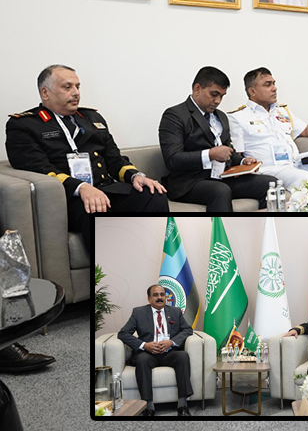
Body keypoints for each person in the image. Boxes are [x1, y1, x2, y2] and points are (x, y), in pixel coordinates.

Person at [6, 65, 168, 254]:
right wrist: (81, 188)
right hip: (68, 199)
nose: (76, 93)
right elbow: (39, 168)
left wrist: (135, 176)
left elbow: (114, 158)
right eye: (67, 87)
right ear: (45, 93)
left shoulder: (92, 118)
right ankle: (109, 278)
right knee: (95, 209)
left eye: (78, 87)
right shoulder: (24, 125)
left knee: (153, 195)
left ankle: (156, 259)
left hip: (104, 189)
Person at [158, 66, 277, 211]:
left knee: (271, 183)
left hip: (223, 177)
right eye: (214, 94)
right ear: (197, 89)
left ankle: (267, 229)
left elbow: (227, 149)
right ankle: (222, 234)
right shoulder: (175, 115)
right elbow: (172, 159)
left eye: (222, 96)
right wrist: (210, 154)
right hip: (189, 182)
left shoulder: (221, 116)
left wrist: (242, 161)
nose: (218, 100)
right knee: (220, 190)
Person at [227, 68, 308, 190]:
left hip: (296, 165)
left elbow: (306, 129)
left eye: (274, 83)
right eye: (267, 84)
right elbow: (237, 155)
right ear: (252, 91)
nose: (274, 88)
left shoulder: (282, 111)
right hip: (269, 170)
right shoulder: (238, 117)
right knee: (305, 178)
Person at [117, 285, 193, 416]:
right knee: (142, 359)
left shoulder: (175, 311)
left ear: (165, 297)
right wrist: (144, 345)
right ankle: (148, 406)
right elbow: (123, 334)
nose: (159, 298)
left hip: (169, 353)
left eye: (162, 295)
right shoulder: (138, 312)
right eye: (156, 295)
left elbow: (188, 329)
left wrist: (172, 342)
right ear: (149, 298)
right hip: (147, 354)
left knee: (183, 356)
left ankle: (182, 405)